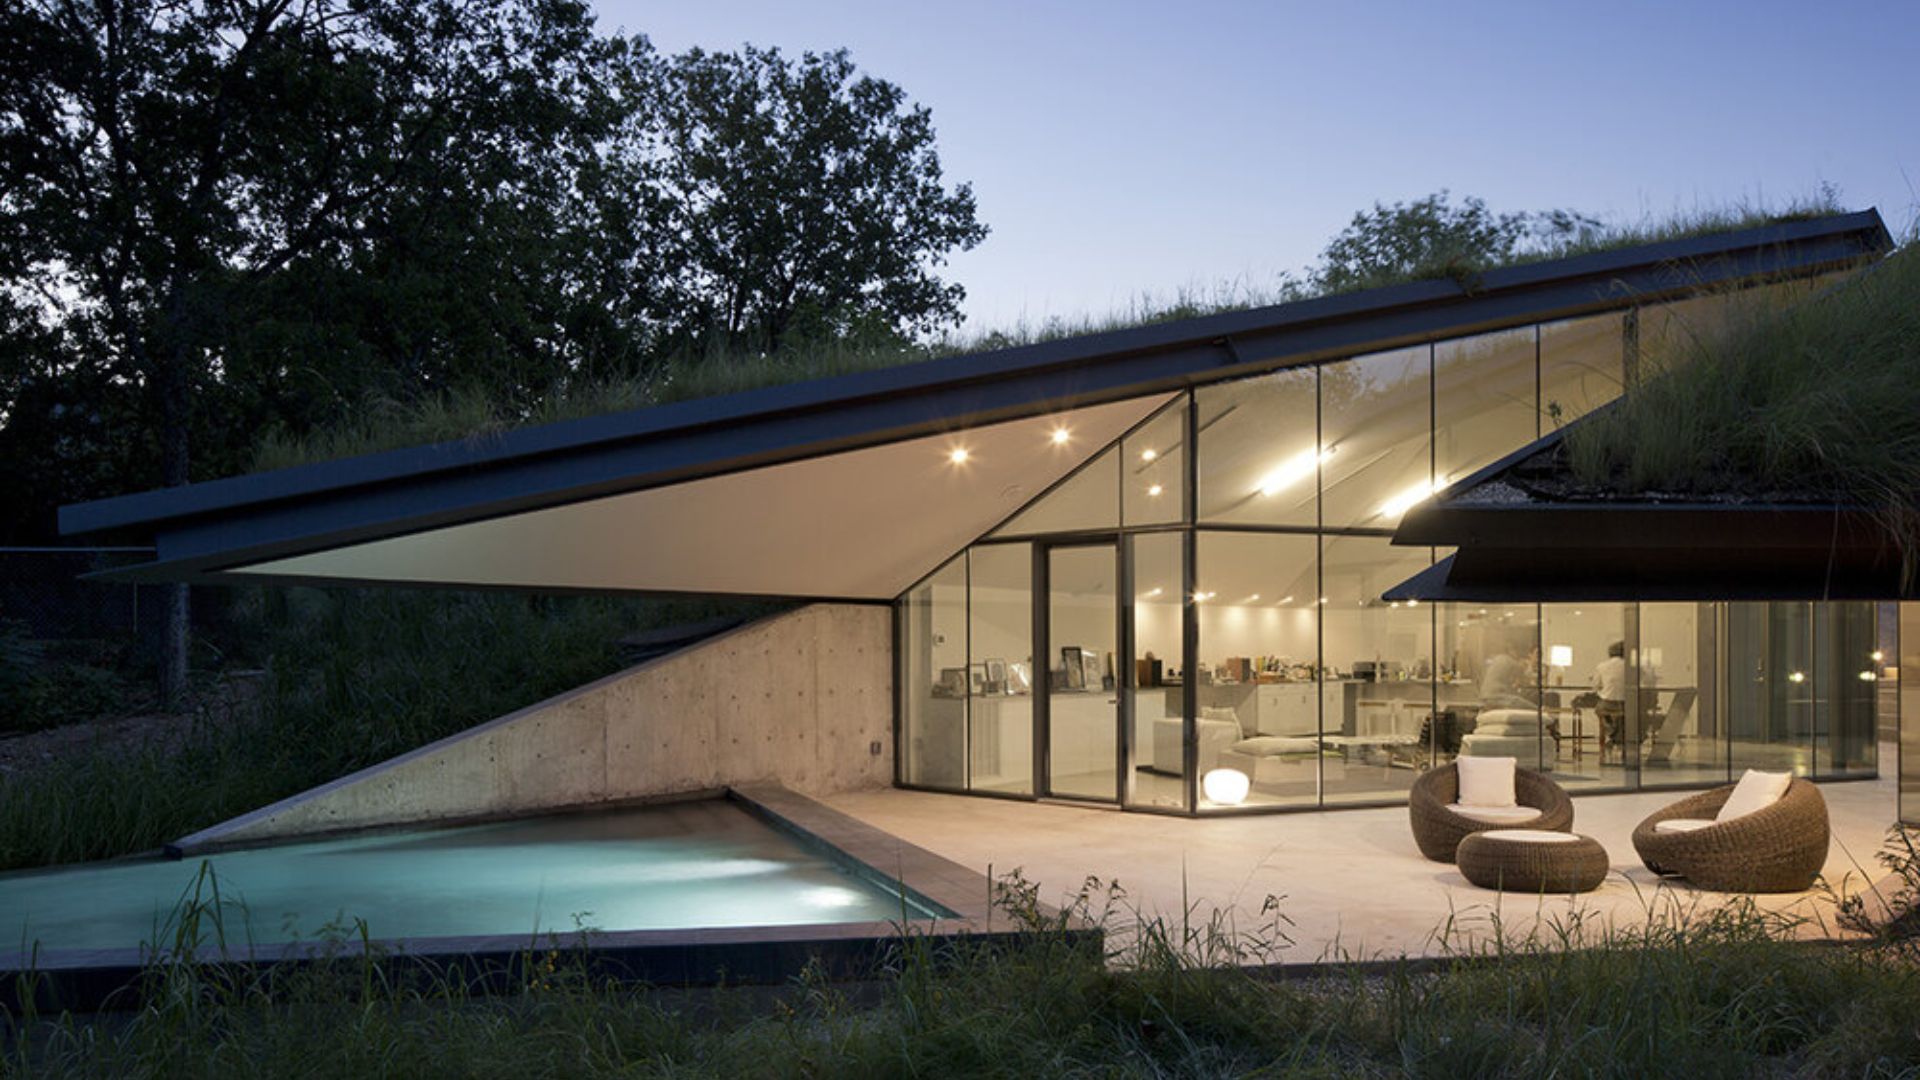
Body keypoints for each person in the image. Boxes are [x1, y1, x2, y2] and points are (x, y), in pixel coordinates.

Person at [1591, 641, 1628, 761]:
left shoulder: (1601, 666)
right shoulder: (1629, 666)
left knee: (1599, 711)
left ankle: (1610, 736)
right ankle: (1617, 738)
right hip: (1624, 704)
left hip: (1607, 704)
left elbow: (1595, 686)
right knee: (1623, 717)